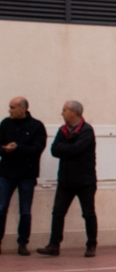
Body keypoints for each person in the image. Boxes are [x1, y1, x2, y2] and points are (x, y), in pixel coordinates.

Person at [37, 101, 98, 257]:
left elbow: (77, 149)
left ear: (74, 112)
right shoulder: (62, 130)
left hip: (85, 181)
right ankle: (53, 245)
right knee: (57, 212)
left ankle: (91, 244)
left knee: (88, 213)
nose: (62, 113)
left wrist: (65, 149)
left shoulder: (86, 130)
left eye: (64, 110)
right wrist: (68, 149)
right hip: (65, 180)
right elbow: (54, 150)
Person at [0, 96, 46, 255]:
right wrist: (4, 149)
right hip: (6, 173)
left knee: (25, 210)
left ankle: (22, 242)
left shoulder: (37, 126)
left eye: (12, 107)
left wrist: (18, 147)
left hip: (27, 174)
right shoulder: (5, 123)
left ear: (23, 108)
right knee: (1, 208)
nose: (9, 110)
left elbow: (37, 149)